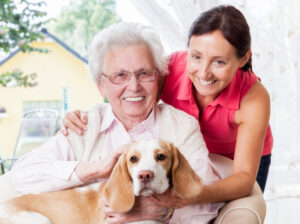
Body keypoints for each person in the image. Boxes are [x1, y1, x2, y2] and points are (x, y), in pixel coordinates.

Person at [1, 22, 224, 224]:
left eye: (144, 73)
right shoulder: (84, 125)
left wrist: (162, 211)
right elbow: (22, 175)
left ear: (159, 78)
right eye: (120, 75)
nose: (134, 86)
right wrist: (95, 169)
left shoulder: (181, 127)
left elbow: (206, 197)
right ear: (101, 86)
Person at [62, 4, 272, 210]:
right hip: (190, 151)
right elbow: (127, 95)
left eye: (219, 62)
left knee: (233, 208)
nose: (204, 73)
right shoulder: (168, 70)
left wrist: (194, 195)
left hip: (238, 157)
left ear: (243, 57)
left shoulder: (253, 98)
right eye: (196, 57)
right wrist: (89, 115)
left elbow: (244, 178)